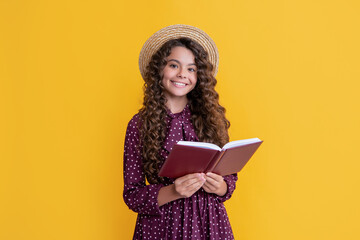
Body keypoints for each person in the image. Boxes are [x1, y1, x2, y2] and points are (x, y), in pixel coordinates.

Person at [123, 24, 238, 239]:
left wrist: (221, 187)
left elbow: (230, 177)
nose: (182, 74)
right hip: (162, 227)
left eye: (191, 69)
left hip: (209, 223)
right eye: (174, 65)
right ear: (159, 69)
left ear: (199, 76)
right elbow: (132, 194)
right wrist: (173, 192)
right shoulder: (139, 124)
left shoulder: (211, 119)